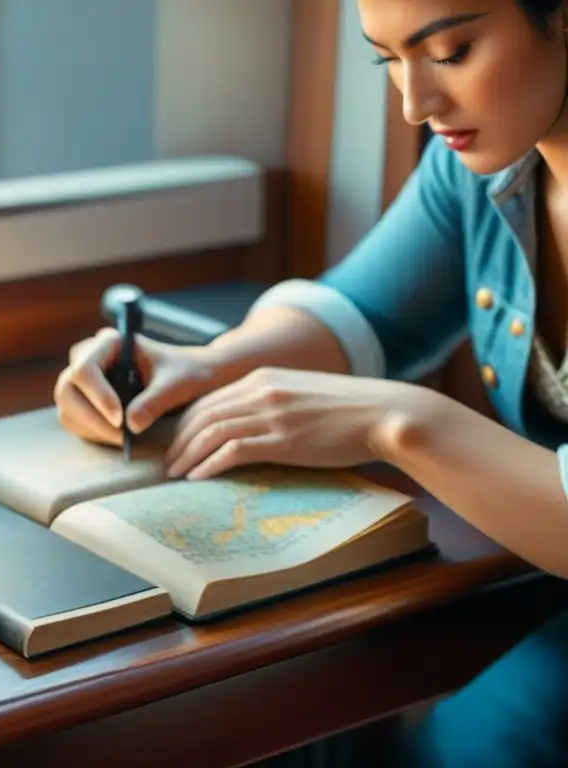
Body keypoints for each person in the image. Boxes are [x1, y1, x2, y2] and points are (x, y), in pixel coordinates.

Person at [54, 0, 568, 765]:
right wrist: (208, 365)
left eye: (452, 52)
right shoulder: (484, 164)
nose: (414, 103)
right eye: (387, 59)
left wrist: (398, 423)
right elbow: (366, 310)